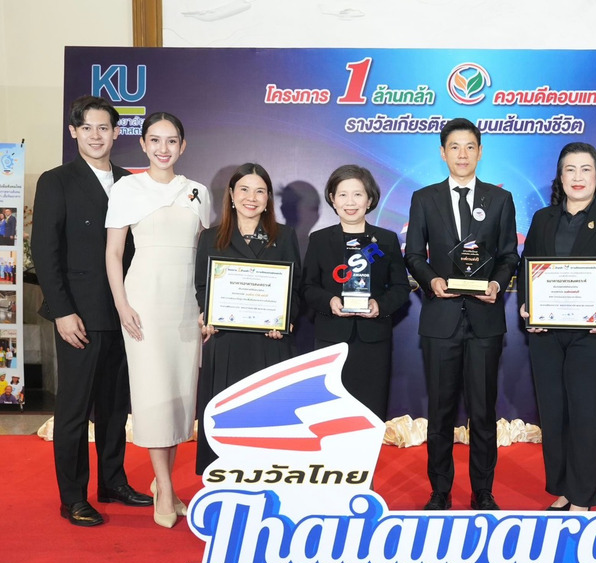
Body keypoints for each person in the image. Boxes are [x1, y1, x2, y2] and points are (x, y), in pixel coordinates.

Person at [33, 95, 151, 527]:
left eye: (104, 128)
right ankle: (73, 497)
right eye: (87, 128)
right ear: (74, 132)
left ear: (117, 133)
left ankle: (113, 482)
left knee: (115, 407)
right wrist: (62, 311)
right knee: (74, 410)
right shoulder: (56, 181)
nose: (96, 136)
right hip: (78, 315)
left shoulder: (130, 182)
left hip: (123, 312)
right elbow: (44, 251)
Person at [518, 142, 596, 512]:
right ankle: (565, 489)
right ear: (560, 177)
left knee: (588, 416)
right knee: (554, 414)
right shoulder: (543, 219)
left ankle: (583, 498)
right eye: (569, 169)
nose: (577, 177)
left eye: (585, 169)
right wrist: (527, 306)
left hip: (593, 336)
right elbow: (527, 267)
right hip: (546, 335)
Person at [405, 117, 520, 510]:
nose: (462, 154)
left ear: (480, 151)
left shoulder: (500, 199)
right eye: (454, 147)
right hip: (441, 320)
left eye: (470, 146)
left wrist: (497, 284)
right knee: (440, 412)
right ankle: (440, 491)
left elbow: (509, 255)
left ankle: (483, 490)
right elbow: (413, 254)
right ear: (442, 153)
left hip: (485, 321)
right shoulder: (425, 198)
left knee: (483, 413)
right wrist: (431, 280)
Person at [105, 112, 210, 528]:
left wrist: (206, 305)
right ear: (143, 144)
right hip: (143, 301)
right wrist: (122, 304)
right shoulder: (127, 188)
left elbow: (204, 253)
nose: (163, 149)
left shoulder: (198, 191)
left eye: (171, 141)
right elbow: (114, 252)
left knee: (180, 394)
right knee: (152, 392)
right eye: (155, 140)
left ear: (182, 146)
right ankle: (164, 487)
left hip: (186, 302)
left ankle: (163, 482)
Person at [194, 163, 302, 473]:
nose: (251, 198)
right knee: (225, 416)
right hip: (226, 342)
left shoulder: (285, 236)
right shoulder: (211, 237)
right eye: (244, 189)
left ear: (268, 199)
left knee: (268, 419)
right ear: (231, 194)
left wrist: (287, 319)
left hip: (270, 342)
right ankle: (221, 479)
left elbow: (295, 287)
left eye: (259, 191)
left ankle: (269, 480)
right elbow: (202, 286)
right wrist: (206, 313)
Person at [302, 165, 409, 420]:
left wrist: (380, 305)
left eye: (358, 194)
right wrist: (329, 300)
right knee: (330, 412)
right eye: (343, 194)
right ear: (332, 199)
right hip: (331, 338)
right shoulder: (319, 240)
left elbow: (401, 287)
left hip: (373, 341)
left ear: (369, 199)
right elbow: (307, 287)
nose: (350, 202)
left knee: (369, 412)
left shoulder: (386, 240)